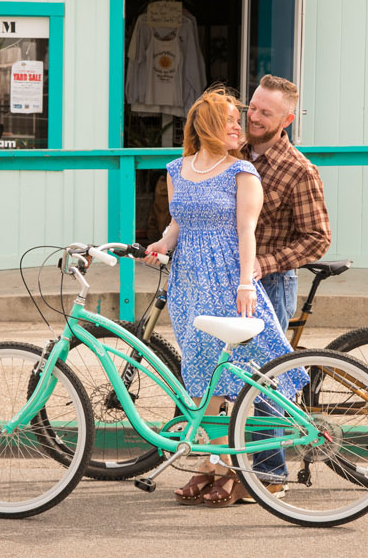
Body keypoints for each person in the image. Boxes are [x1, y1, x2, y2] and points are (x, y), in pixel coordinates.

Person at [146, 86, 308, 507]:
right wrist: (161, 244)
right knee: (202, 379)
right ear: (207, 126)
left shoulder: (241, 172)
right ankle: (214, 462)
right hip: (187, 283)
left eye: (242, 118)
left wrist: (243, 284)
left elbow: (245, 233)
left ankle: (228, 466)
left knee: (239, 376)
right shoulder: (176, 168)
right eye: (231, 119)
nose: (240, 125)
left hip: (225, 279)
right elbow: (178, 223)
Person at [240, 74, 332, 495]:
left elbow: (318, 237)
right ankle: (229, 469)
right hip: (230, 279)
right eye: (252, 107)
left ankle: (271, 476)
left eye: (265, 113)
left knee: (261, 379)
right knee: (229, 376)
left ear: (288, 119)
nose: (253, 117)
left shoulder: (299, 170)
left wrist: (265, 261)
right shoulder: (232, 151)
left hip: (271, 283)